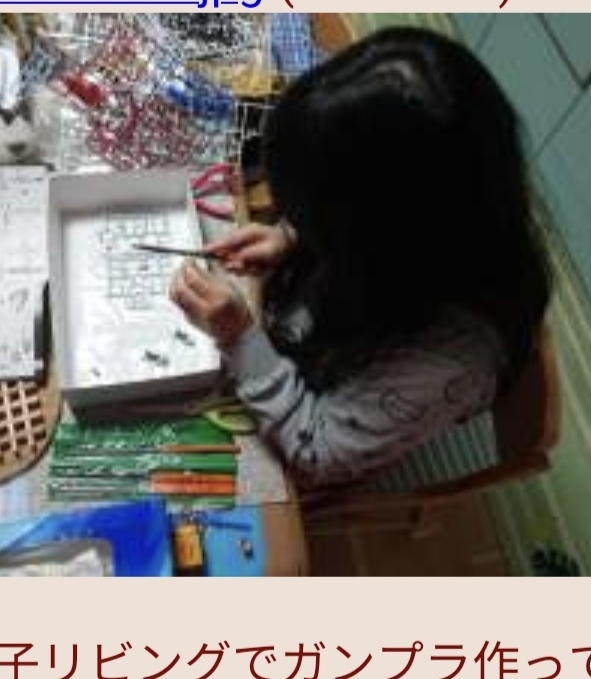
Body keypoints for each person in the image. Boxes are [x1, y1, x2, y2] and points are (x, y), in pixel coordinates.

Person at [170, 27, 551, 489]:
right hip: (333, 331)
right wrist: (290, 237)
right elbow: (369, 195)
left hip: (329, 423)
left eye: (311, 218)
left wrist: (241, 338)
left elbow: (316, 454)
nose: (294, 220)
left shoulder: (449, 360)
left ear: (373, 240)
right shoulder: (453, 211)